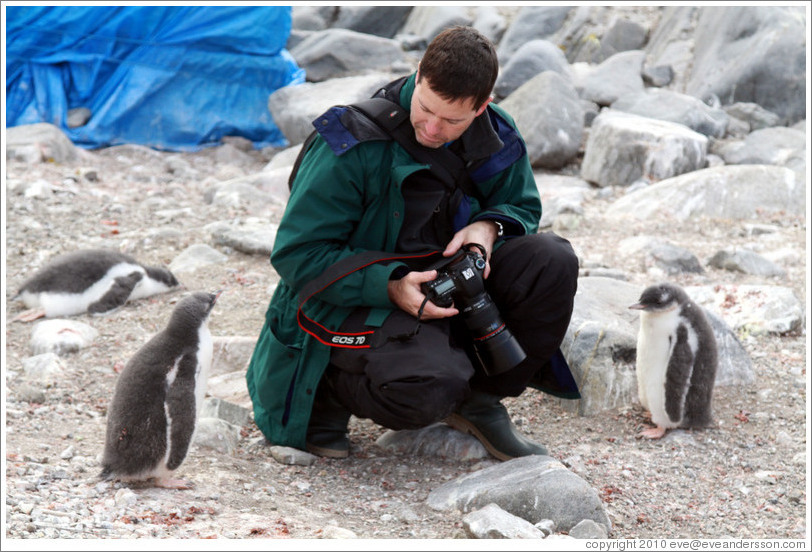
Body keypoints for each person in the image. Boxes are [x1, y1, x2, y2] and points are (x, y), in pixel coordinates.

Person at [246, 26, 580, 461]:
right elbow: (297, 254)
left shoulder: (495, 132)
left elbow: (520, 205)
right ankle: (331, 388)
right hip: (360, 298)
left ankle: (478, 400)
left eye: (452, 120)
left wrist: (488, 229)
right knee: (427, 391)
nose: (433, 127)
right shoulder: (351, 141)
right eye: (426, 109)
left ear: (482, 106)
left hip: (445, 288)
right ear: (419, 74)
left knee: (552, 260)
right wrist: (389, 285)